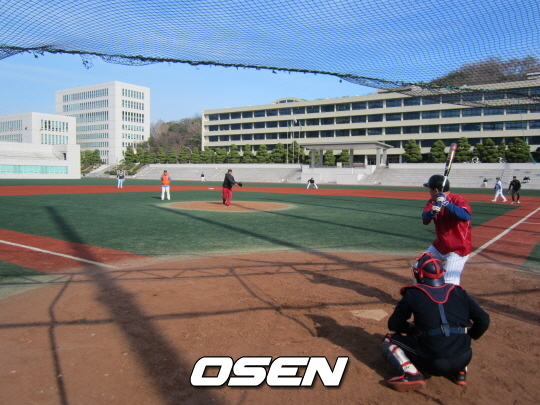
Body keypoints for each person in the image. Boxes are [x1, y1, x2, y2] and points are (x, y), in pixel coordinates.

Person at [381, 253, 490, 392]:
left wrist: (411, 328)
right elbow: (483, 320)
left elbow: (394, 325)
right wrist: (470, 336)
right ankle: (460, 372)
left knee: (389, 340)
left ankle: (411, 374)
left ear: (420, 275)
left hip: (434, 363)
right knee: (458, 331)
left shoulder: (413, 293)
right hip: (465, 356)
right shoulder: (458, 292)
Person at [421, 174, 472, 285]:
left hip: (458, 248)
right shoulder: (432, 202)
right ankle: (424, 293)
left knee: (449, 280)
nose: (429, 191)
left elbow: (466, 216)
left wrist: (445, 204)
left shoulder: (457, 200)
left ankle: (452, 296)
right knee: (420, 266)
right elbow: (425, 219)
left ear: (435, 190)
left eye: (429, 189)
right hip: (441, 245)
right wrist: (432, 212)